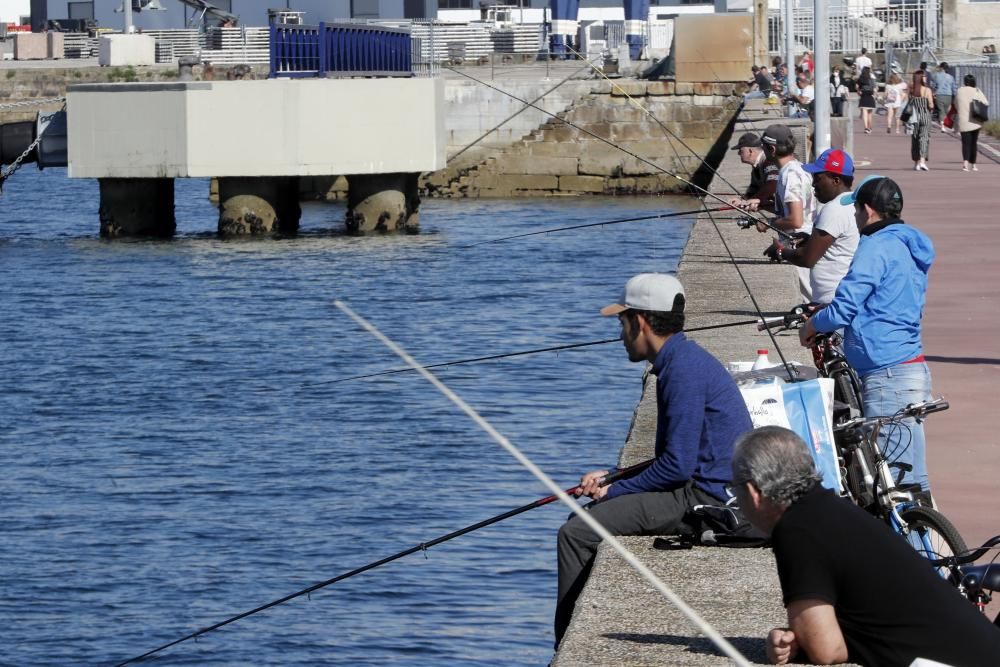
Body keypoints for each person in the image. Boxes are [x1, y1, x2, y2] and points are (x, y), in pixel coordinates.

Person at [555, 273, 753, 646]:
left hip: (708, 498)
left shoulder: (681, 371)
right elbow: (674, 458)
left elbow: (676, 467)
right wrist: (614, 477)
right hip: (707, 485)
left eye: (622, 322)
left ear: (641, 321)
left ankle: (564, 641)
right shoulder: (683, 359)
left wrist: (614, 492)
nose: (620, 333)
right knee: (582, 521)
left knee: (576, 531)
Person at [731, 426, 1000, 666]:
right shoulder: (832, 510)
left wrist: (803, 639)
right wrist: (801, 638)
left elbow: (826, 651)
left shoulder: (797, 530)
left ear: (754, 492)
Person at [799, 175, 935, 492]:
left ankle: (911, 541)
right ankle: (925, 539)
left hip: (887, 376)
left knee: (897, 484)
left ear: (869, 211)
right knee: (914, 479)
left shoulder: (876, 247)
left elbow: (844, 308)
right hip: (911, 367)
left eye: (857, 210)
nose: (856, 217)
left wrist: (812, 325)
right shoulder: (907, 243)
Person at [763, 148, 859, 305]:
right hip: (843, 296)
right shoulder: (852, 202)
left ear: (836, 180)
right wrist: (809, 239)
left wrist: (780, 251)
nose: (813, 184)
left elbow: (806, 259)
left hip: (831, 300)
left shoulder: (834, 209)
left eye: (818, 178)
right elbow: (838, 244)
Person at [755, 124, 817, 300]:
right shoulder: (800, 167)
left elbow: (796, 220)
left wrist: (768, 223)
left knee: (809, 299)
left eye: (764, 147)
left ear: (771, 149)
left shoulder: (789, 175)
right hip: (805, 240)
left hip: (799, 242)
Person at [728, 132, 778, 213]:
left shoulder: (768, 161)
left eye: (741, 151)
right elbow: (754, 189)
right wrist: (742, 200)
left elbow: (773, 183)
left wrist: (756, 199)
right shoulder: (756, 166)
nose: (738, 154)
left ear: (750, 151)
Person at [954, 73, 990, 172]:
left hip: (963, 121)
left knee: (965, 143)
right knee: (973, 143)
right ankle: (973, 165)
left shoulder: (959, 91)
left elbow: (956, 104)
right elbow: (986, 103)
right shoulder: (977, 91)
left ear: (965, 82)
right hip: (975, 121)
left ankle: (965, 164)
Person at [908, 70, 934, 171]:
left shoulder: (912, 90)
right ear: (921, 78)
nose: (925, 78)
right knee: (924, 138)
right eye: (923, 76)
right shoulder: (927, 90)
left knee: (915, 140)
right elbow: (931, 105)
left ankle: (916, 163)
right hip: (925, 116)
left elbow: (909, 104)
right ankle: (923, 161)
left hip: (914, 118)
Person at [857, 66, 876, 134]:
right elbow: (874, 89)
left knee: (865, 113)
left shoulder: (860, 79)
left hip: (863, 96)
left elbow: (858, 89)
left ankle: (866, 127)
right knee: (870, 114)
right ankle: (870, 127)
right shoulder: (872, 79)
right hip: (870, 97)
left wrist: (859, 92)